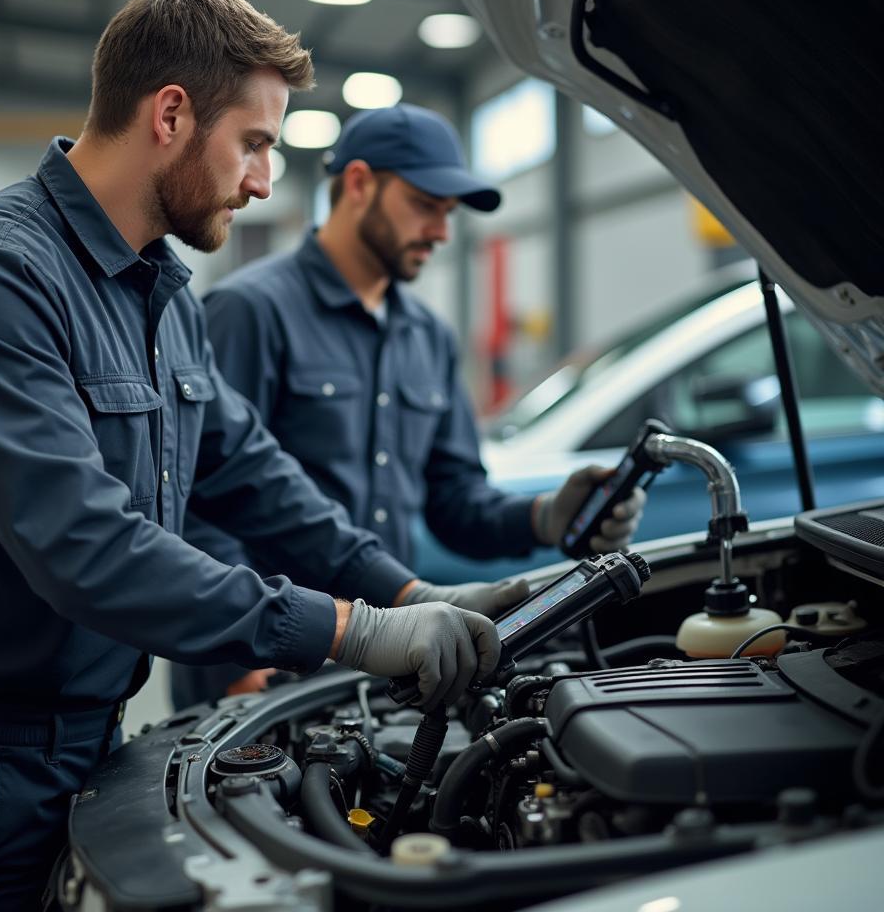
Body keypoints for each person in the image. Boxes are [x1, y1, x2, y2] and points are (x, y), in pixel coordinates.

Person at [0, 0, 519, 912]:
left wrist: (415, 594)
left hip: (94, 741)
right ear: (170, 113)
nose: (261, 181)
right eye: (253, 144)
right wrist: (351, 630)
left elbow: (255, 477)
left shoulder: (163, 297)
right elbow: (87, 549)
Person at [171, 103, 646, 708]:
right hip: (268, 662)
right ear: (362, 184)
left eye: (448, 214)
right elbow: (201, 496)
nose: (443, 232)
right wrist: (234, 654)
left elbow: (455, 504)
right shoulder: (250, 311)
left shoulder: (429, 337)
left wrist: (546, 517)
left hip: (393, 652)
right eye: (426, 206)